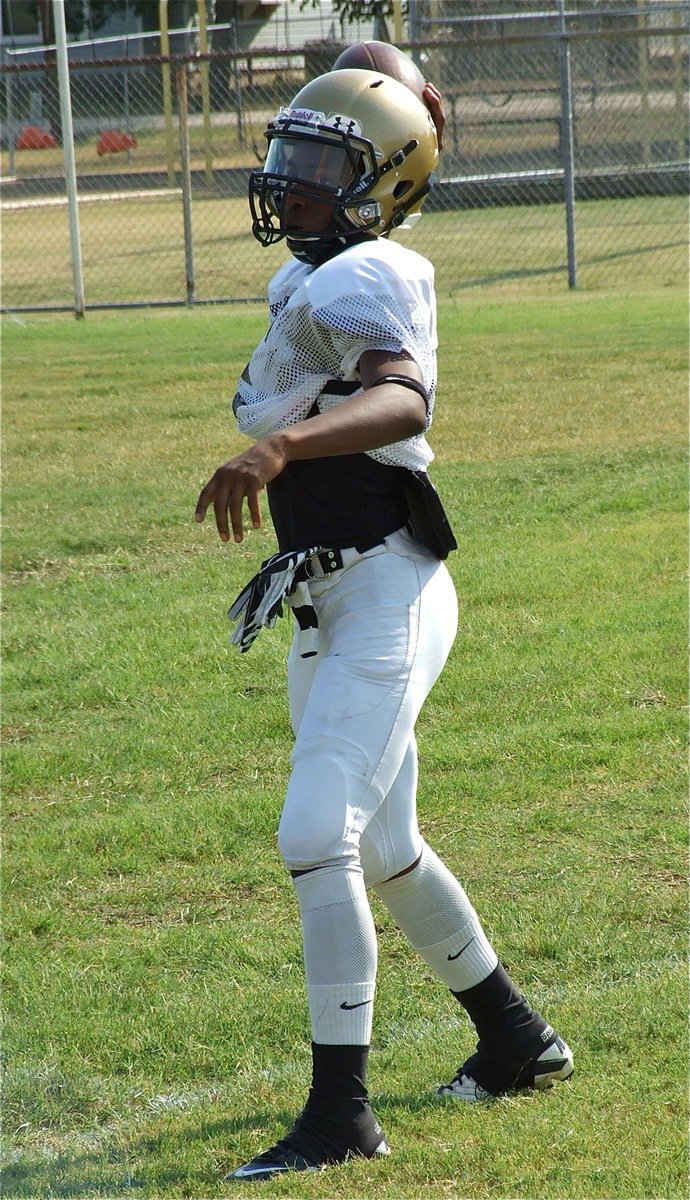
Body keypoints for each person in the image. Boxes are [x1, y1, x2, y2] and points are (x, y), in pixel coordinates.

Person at [195, 64, 573, 1182]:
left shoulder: (374, 269)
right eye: (289, 158)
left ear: (384, 184)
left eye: (322, 167)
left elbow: (404, 396)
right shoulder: (316, 275)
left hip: (388, 593)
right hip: (329, 600)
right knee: (390, 848)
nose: (290, 184)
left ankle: (341, 1118)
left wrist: (280, 445)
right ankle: (516, 1038)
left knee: (318, 835)